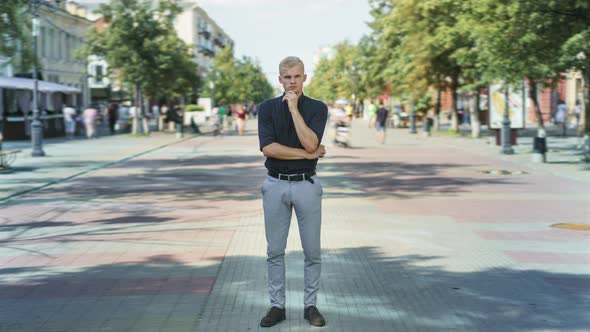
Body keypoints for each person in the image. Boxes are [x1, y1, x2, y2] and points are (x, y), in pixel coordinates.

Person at [257, 56, 328, 328]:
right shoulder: (266, 108)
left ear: (304, 78)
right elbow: (269, 148)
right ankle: (277, 306)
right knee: (275, 250)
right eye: (287, 77)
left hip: (306, 185)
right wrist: (307, 154)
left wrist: (295, 109)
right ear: (279, 80)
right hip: (274, 184)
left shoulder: (317, 108)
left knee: (312, 252)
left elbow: (312, 141)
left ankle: (310, 305)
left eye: (297, 77)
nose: (292, 82)